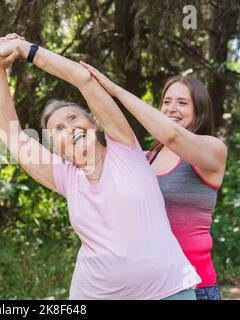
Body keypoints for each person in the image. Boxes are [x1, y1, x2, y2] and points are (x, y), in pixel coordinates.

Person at [0, 34, 201, 299]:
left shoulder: (124, 148)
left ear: (93, 123)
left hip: (169, 290)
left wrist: (27, 50)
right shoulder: (65, 177)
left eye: (73, 118)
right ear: (55, 147)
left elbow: (82, 79)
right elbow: (12, 136)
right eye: (58, 129)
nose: (70, 128)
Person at [80, 62, 227, 300]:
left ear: (199, 109)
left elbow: (171, 134)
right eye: (167, 101)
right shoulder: (146, 159)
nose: (171, 108)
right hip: (147, 289)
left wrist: (116, 91)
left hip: (194, 287)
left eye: (182, 102)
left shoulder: (212, 150)